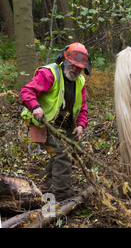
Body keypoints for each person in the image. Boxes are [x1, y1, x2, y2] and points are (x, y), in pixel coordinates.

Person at [20, 42, 91, 201]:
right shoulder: (49, 74)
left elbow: (83, 107)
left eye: (79, 67)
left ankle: (44, 184)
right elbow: (27, 91)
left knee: (76, 150)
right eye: (72, 65)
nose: (74, 69)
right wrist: (36, 107)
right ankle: (60, 197)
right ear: (64, 60)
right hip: (44, 123)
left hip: (64, 126)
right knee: (62, 153)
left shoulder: (80, 82)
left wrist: (80, 125)